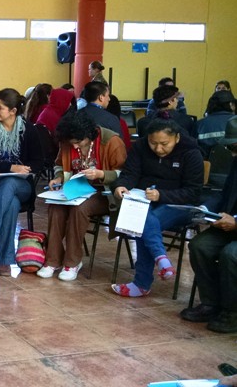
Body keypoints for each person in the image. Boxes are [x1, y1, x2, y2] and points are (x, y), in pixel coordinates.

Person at [111, 118, 204, 297]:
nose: (158, 149)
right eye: (153, 143)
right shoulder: (140, 148)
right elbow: (130, 173)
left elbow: (193, 192)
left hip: (179, 205)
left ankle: (142, 283)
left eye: (164, 144)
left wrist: (162, 195)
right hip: (145, 202)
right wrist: (120, 186)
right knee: (144, 220)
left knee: (143, 223)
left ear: (176, 138)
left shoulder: (191, 153)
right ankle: (160, 258)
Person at [37, 111, 126, 281]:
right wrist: (58, 177)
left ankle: (72, 262)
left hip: (104, 192)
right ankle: (53, 260)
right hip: (74, 189)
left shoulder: (111, 141)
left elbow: (124, 173)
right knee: (55, 206)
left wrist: (101, 174)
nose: (76, 147)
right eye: (72, 144)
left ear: (89, 135)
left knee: (79, 208)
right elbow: (58, 165)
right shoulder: (67, 143)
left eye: (79, 143)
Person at [0, 88, 44, 276]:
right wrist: (10, 168)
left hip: (20, 184)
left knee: (10, 185)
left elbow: (39, 161)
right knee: (10, 202)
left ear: (13, 111)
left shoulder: (29, 130)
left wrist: (23, 169)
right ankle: (4, 260)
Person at [181, 116, 237, 333]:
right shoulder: (236, 162)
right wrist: (207, 211)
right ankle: (211, 303)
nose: (231, 151)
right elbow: (225, 194)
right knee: (199, 246)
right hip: (229, 223)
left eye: (233, 146)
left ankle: (232, 312)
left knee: (231, 255)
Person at [197, 90, 235, 157]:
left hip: (206, 164)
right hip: (233, 164)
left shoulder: (200, 124)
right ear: (231, 104)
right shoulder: (235, 121)